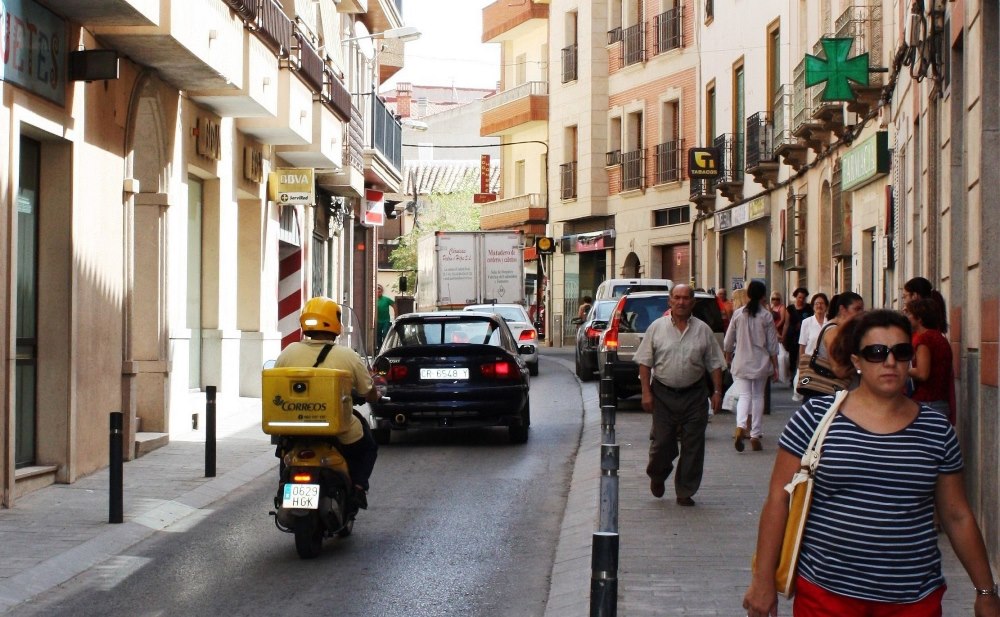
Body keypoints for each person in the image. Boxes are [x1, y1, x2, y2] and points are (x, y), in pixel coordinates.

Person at [744, 310, 1000, 617]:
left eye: (901, 352)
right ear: (856, 362)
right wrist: (762, 581)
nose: (889, 362)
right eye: (876, 353)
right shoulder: (815, 418)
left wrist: (986, 592)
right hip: (826, 595)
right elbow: (778, 499)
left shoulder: (936, 430)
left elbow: (957, 514)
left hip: (913, 599)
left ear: (911, 359)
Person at [275, 297, 380, 506]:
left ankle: (282, 486)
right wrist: (373, 396)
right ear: (335, 322)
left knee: (284, 451)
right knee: (368, 446)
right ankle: (358, 487)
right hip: (337, 430)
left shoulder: (288, 352)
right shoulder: (348, 356)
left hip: (295, 427)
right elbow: (367, 390)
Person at [634, 284, 726, 507]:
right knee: (662, 444)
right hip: (664, 395)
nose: (681, 302)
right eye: (677, 298)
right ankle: (657, 474)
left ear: (693, 302)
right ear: (670, 301)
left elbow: (715, 364)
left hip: (694, 395)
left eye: (686, 298)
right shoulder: (657, 328)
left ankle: (685, 490)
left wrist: (717, 392)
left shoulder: (703, 330)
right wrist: (646, 393)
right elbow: (645, 362)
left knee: (693, 445)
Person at [724, 281, 780, 452]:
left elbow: (728, 340)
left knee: (744, 396)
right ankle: (755, 433)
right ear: (763, 296)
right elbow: (772, 344)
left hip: (741, 360)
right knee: (757, 397)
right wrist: (775, 366)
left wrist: (727, 356)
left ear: (748, 295)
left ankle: (741, 425)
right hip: (760, 361)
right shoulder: (766, 316)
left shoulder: (738, 314)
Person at [906, 297, 956, 424]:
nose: (907, 317)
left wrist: (904, 369)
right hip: (939, 402)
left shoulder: (924, 339)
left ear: (919, 319)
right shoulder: (939, 337)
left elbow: (922, 374)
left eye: (910, 313)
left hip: (928, 403)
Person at [783, 287, 812, 378]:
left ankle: (802, 374)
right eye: (799, 297)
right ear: (796, 297)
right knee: (792, 357)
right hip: (793, 336)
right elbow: (786, 324)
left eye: (803, 298)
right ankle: (792, 377)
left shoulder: (809, 308)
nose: (801, 300)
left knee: (803, 356)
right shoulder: (790, 309)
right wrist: (783, 337)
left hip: (805, 336)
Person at [375, 284, 395, 351]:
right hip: (377, 321)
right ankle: (380, 348)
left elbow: (394, 305)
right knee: (378, 335)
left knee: (385, 334)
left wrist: (396, 315)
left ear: (382, 291)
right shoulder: (373, 300)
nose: (378, 291)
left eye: (379, 289)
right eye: (377, 289)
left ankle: (385, 348)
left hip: (386, 320)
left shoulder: (386, 299)